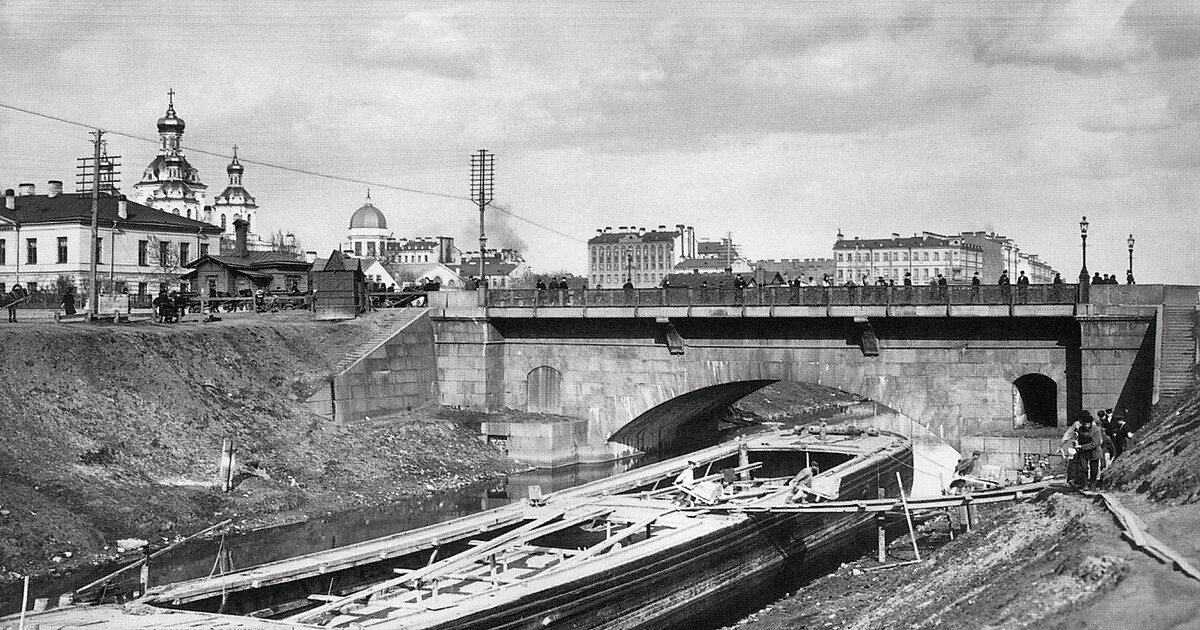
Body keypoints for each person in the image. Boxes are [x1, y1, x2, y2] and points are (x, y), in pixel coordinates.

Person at [1076, 413, 1105, 490]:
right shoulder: (1080, 429)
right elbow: (1080, 439)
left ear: (1091, 423)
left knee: (1094, 469)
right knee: (1083, 468)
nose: (1086, 425)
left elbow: (1095, 443)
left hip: (1094, 451)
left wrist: (1082, 447)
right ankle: (1085, 484)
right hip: (1083, 452)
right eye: (1084, 423)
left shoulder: (1096, 430)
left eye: (1088, 423)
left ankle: (1092, 483)